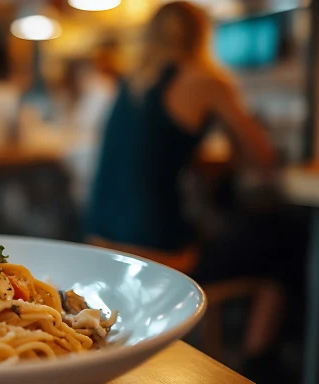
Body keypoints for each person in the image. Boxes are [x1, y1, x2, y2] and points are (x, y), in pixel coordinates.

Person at [85, 2, 289, 365]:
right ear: (201, 35)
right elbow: (263, 158)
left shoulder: (132, 82)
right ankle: (256, 364)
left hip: (100, 239)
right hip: (159, 252)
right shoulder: (206, 81)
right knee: (282, 244)